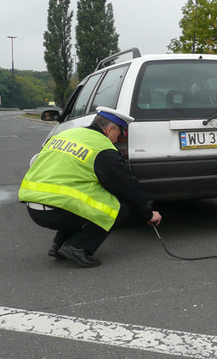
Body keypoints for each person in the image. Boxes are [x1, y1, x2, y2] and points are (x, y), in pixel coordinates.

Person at [19, 106, 162, 268]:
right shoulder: (102, 148)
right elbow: (127, 187)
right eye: (120, 134)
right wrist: (147, 213)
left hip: (34, 207)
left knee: (82, 200)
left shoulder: (65, 135)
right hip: (57, 211)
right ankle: (77, 247)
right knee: (120, 207)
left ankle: (59, 244)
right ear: (109, 130)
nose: (118, 140)